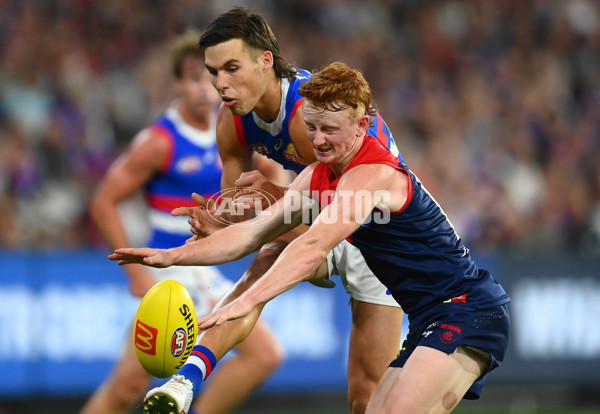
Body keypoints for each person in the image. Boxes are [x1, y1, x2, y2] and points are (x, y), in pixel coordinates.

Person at [111, 61, 511, 414]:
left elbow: (313, 245)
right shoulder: (318, 174)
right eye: (312, 127)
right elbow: (251, 234)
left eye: (329, 130)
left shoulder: (372, 173)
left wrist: (247, 300)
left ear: (362, 125)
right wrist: (171, 257)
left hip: (466, 310)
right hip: (427, 318)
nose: (317, 140)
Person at [140, 7, 405, 414]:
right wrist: (219, 219)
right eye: (213, 72)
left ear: (266, 60)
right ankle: (185, 380)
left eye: (231, 68)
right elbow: (245, 213)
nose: (220, 84)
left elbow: (336, 217)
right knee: (259, 267)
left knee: (366, 398)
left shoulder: (307, 117)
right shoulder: (232, 121)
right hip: (325, 217)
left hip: (383, 231)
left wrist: (271, 208)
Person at [82, 30, 284, 414]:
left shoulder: (232, 126)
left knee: (264, 355)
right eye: (192, 77)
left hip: (204, 268)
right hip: (169, 272)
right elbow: (103, 202)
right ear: (177, 83)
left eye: (207, 77)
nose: (204, 88)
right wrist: (136, 275)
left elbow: (265, 175)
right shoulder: (160, 140)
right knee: (127, 386)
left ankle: (184, 403)